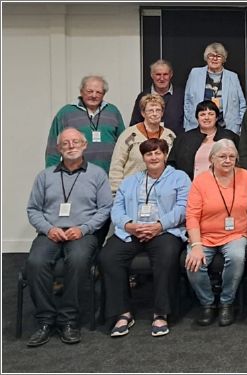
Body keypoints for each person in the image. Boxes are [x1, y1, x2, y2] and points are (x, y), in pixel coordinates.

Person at [25, 128, 113, 347]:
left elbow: (105, 209)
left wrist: (84, 228)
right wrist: (48, 228)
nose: (71, 146)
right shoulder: (45, 176)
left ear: (85, 145)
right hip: (50, 232)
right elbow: (33, 209)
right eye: (66, 143)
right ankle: (45, 319)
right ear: (59, 149)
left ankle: (68, 320)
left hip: (82, 233)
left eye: (75, 142)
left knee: (79, 260)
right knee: (35, 263)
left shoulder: (97, 175)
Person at [100, 138, 190, 338]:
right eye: (149, 154)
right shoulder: (131, 180)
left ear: (165, 155)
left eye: (158, 153)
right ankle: (122, 313)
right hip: (133, 230)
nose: (154, 157)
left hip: (165, 230)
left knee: (166, 257)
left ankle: (161, 313)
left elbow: (184, 208)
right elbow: (117, 209)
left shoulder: (179, 178)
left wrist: (159, 225)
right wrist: (128, 225)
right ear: (143, 158)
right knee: (108, 257)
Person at [185, 139, 247, 327]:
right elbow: (192, 215)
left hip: (236, 234)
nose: (227, 160)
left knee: (237, 257)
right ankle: (207, 303)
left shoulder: (245, 176)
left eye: (232, 156)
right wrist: (196, 245)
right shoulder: (201, 181)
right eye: (222, 156)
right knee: (193, 262)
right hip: (205, 236)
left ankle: (226, 303)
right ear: (211, 159)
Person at [46, 75, 126, 174]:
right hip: (75, 174)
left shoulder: (113, 111)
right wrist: (51, 174)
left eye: (98, 92)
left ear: (104, 94)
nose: (93, 95)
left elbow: (123, 144)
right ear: (81, 91)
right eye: (89, 91)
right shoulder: (66, 113)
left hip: (109, 174)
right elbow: (53, 146)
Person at [109, 94, 176, 193]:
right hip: (132, 191)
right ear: (143, 113)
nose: (154, 114)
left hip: (162, 192)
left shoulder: (170, 136)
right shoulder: (129, 135)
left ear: (162, 113)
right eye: (150, 110)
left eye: (158, 110)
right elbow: (117, 165)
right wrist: (117, 192)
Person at [183, 42, 247, 134]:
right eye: (211, 56)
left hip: (227, 128)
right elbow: (187, 100)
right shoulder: (195, 73)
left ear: (223, 59)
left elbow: (242, 104)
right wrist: (189, 121)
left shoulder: (233, 76)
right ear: (206, 57)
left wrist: (239, 126)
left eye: (219, 56)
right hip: (198, 127)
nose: (214, 59)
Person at [168, 101, 239, 181]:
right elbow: (172, 165)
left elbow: (240, 163)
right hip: (192, 186)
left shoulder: (230, 137)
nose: (206, 117)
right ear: (197, 118)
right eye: (202, 114)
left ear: (216, 117)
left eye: (211, 114)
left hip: (223, 185)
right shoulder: (183, 139)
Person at [130, 59, 185, 135]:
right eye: (158, 74)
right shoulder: (143, 96)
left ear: (171, 74)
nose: (162, 78)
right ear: (152, 75)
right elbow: (135, 123)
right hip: (150, 143)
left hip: (176, 141)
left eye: (165, 74)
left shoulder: (182, 95)